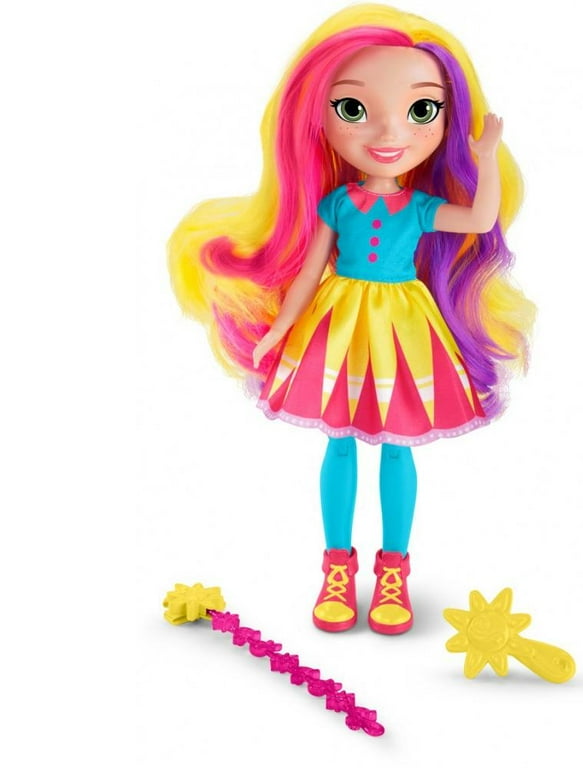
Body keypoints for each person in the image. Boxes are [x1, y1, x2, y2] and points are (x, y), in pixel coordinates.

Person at [168, 4, 535, 636]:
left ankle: (394, 571)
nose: (390, 132)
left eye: (422, 110)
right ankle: (337, 566)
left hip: (402, 325)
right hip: (337, 323)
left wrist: (487, 157)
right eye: (352, 108)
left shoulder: (420, 206)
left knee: (398, 443)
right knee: (337, 439)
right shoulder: (338, 203)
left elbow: (479, 220)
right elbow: (309, 272)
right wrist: (279, 329)